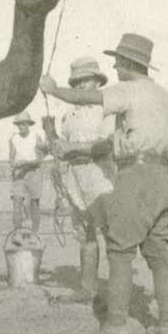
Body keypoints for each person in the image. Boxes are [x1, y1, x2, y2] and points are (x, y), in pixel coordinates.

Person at [40, 33, 168, 334]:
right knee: (159, 256)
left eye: (118, 61)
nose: (114, 66)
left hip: (135, 173)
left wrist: (53, 90)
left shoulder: (128, 90)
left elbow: (86, 99)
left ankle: (116, 326)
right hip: (162, 177)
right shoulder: (166, 97)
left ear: (130, 63)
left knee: (119, 253)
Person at [51, 57, 115, 304]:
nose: (80, 86)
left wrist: (72, 148)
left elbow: (107, 146)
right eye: (75, 82)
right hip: (75, 179)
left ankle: (117, 290)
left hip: (100, 176)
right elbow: (64, 150)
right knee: (85, 235)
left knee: (112, 237)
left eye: (84, 81)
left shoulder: (106, 110)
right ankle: (88, 289)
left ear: (97, 81)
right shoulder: (68, 115)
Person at [8, 111, 49, 234]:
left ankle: (35, 233)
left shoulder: (36, 137)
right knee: (17, 202)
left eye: (24, 124)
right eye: (19, 124)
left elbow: (39, 159)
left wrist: (26, 163)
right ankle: (17, 234)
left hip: (34, 172)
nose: (21, 126)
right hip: (19, 173)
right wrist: (13, 164)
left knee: (34, 203)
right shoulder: (13, 138)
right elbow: (11, 158)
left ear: (29, 124)